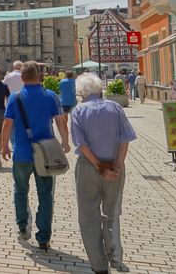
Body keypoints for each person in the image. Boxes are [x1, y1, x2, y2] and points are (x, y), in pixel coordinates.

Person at [71, 73, 137, 274]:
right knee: (112, 212)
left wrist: (100, 166)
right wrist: (116, 166)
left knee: (89, 216)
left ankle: (99, 265)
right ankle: (115, 255)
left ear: (81, 92)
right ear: (100, 89)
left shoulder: (79, 111)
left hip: (89, 168)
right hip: (115, 167)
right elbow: (125, 138)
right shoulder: (115, 107)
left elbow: (81, 145)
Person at [1, 61, 70, 250]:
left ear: (22, 78)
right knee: (46, 195)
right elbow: (61, 122)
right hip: (46, 154)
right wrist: (65, 141)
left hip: (22, 152)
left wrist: (4, 146)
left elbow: (7, 124)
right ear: (40, 76)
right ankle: (44, 237)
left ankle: (23, 227)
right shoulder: (51, 96)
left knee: (21, 191)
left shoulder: (16, 98)